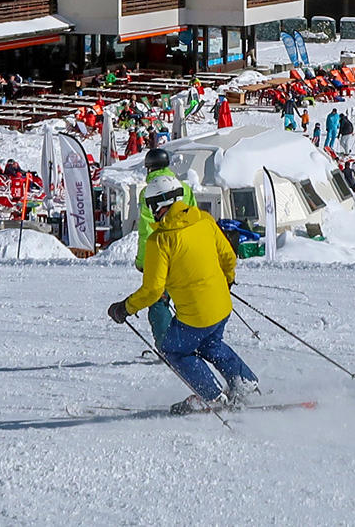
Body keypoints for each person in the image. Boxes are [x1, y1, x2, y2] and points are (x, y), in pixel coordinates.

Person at [108, 178, 259, 413]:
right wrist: (227, 281)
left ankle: (212, 396)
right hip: (222, 307)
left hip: (196, 317)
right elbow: (228, 257)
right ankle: (245, 384)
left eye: (151, 205)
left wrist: (125, 308)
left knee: (173, 349)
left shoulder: (160, 240)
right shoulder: (205, 220)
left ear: (160, 204)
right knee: (211, 344)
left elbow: (153, 291)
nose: (151, 211)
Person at [134, 147, 190, 344]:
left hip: (163, 253)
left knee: (158, 300)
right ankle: (191, 341)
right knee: (186, 298)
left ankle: (169, 346)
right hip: (185, 252)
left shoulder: (148, 192)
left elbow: (146, 230)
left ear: (149, 168)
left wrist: (143, 261)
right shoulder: (184, 187)